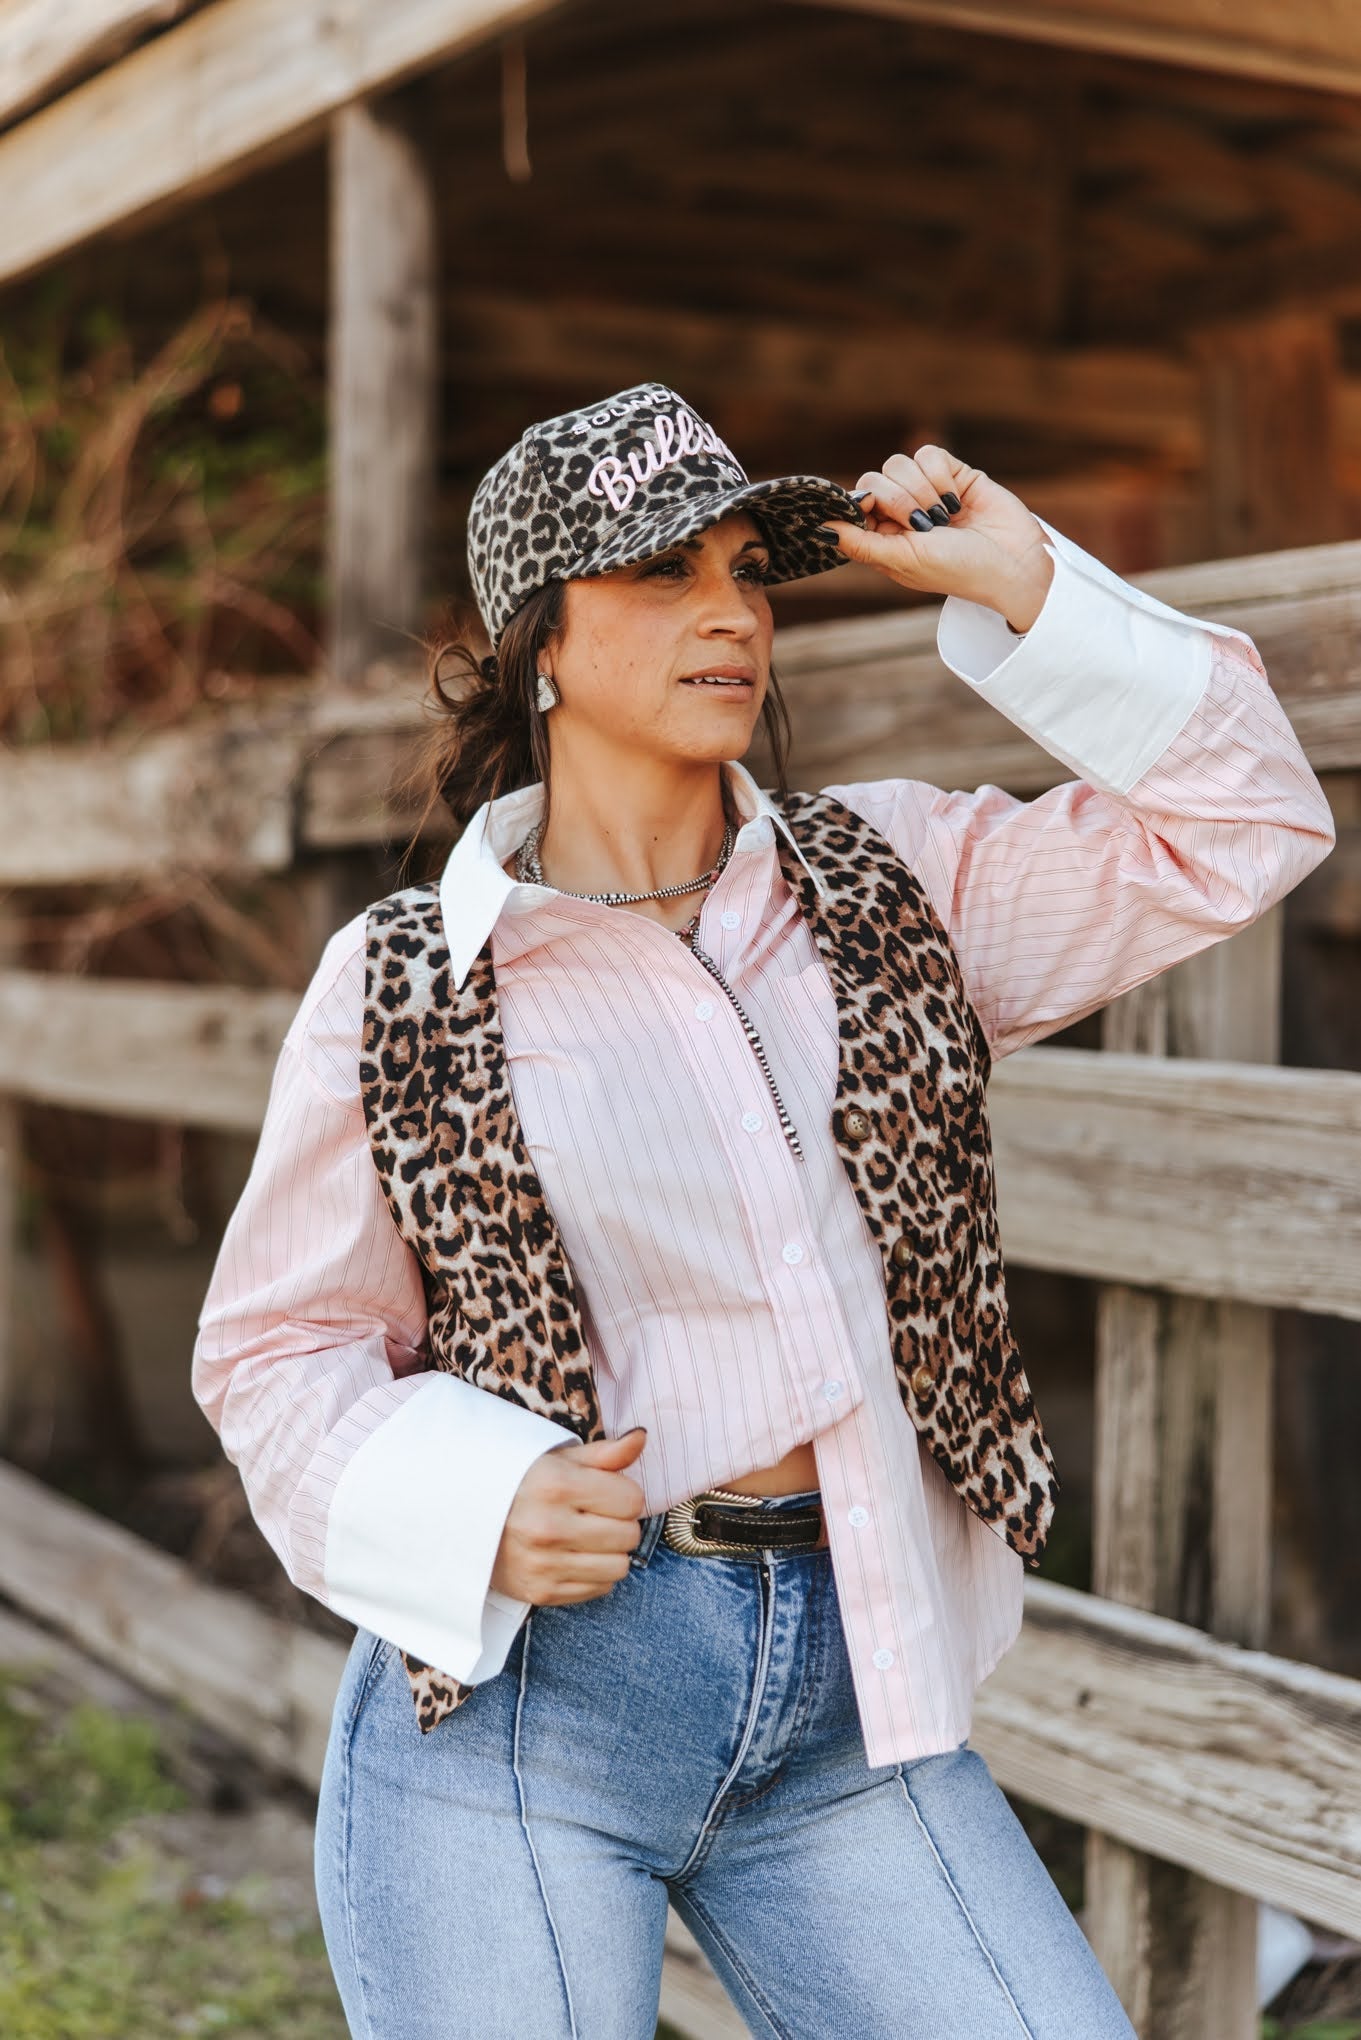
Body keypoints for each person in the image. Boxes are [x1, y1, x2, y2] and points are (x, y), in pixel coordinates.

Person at [192, 381, 1333, 2038]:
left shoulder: (900, 885)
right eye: (662, 573)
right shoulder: (406, 980)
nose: (729, 611)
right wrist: (469, 1500)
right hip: (528, 1715)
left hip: (852, 1706)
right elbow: (277, 1349)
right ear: (540, 644)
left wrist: (1029, 584)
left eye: (744, 569)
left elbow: (1243, 823)